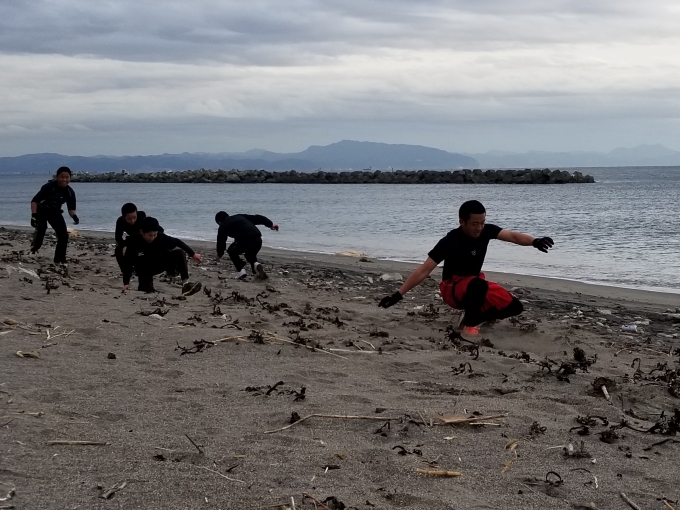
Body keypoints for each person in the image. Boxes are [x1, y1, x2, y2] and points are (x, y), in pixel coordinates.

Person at [378, 200, 554, 336]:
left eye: (482, 223)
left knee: (514, 307)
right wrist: (398, 295)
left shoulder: (486, 231)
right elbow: (424, 270)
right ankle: (469, 325)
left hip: (475, 286)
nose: (479, 228)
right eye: (475, 224)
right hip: (452, 289)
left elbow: (513, 236)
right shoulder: (450, 241)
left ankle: (475, 317)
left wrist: (535, 241)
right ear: (462, 222)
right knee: (478, 285)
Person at [122, 216, 203, 295]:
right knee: (146, 290)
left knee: (179, 253)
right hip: (144, 269)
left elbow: (178, 242)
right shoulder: (134, 241)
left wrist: (193, 254)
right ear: (142, 232)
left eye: (155, 234)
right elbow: (127, 263)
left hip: (158, 263)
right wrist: (126, 283)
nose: (152, 237)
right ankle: (146, 285)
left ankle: (185, 283)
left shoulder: (160, 237)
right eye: (150, 235)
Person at [30, 166, 80, 264]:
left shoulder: (70, 192)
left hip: (55, 212)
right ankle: (35, 247)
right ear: (57, 177)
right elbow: (34, 201)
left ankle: (59, 259)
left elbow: (71, 209)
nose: (64, 180)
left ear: (70, 178)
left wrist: (75, 217)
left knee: (63, 236)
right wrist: (34, 215)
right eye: (62, 177)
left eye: (67, 177)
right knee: (42, 228)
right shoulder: (49, 187)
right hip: (41, 210)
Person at [214, 211, 279, 280]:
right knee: (250, 254)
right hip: (258, 239)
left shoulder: (223, 226)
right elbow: (257, 218)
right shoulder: (239, 216)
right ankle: (256, 266)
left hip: (245, 241)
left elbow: (221, 241)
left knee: (231, 251)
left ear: (219, 222)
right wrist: (270, 224)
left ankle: (241, 271)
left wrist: (219, 254)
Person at [114, 203, 147, 274]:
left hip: (143, 239)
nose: (132, 221)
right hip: (132, 239)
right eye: (129, 219)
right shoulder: (120, 221)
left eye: (134, 217)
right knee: (118, 250)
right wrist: (124, 246)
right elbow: (118, 237)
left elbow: (150, 229)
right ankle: (126, 271)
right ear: (124, 217)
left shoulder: (142, 215)